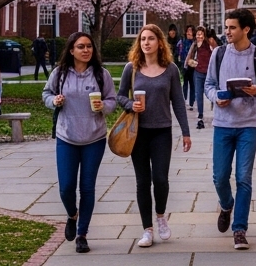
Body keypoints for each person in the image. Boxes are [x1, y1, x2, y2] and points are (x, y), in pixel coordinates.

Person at [205, 8, 256, 250]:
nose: (227, 31)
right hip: (223, 124)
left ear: (246, 29)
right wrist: (216, 97)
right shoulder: (218, 54)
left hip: (248, 125)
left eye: (232, 27)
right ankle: (226, 205)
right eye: (226, 27)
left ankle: (240, 229)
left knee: (244, 177)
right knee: (219, 177)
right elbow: (209, 84)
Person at [42, 31, 118, 254]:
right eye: (81, 47)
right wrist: (54, 100)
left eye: (89, 46)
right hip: (67, 137)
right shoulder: (60, 73)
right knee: (66, 187)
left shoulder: (101, 74)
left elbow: (112, 101)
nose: (86, 50)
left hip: (94, 138)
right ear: (71, 50)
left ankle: (82, 234)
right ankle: (72, 214)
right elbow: (46, 94)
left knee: (87, 187)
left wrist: (104, 106)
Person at [117, 24, 192, 248]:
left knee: (160, 178)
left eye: (150, 38)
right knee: (142, 181)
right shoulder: (131, 68)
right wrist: (130, 105)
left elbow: (178, 102)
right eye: (143, 39)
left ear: (160, 42)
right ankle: (147, 230)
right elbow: (120, 96)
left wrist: (186, 132)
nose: (146, 43)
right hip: (137, 132)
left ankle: (160, 216)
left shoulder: (170, 70)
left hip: (162, 131)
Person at [187, 27, 214, 129]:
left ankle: (215, 113)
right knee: (198, 94)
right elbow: (189, 56)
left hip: (208, 73)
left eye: (201, 34)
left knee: (210, 93)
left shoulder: (208, 44)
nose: (199, 36)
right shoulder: (194, 45)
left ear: (204, 35)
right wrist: (189, 63)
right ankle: (200, 117)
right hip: (198, 72)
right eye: (197, 34)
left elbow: (215, 54)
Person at [176, 26, 197, 100]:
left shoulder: (195, 43)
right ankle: (184, 99)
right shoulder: (182, 41)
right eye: (188, 31)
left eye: (190, 31)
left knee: (192, 84)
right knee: (185, 83)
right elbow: (178, 51)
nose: (189, 33)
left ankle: (192, 101)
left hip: (193, 66)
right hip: (184, 65)